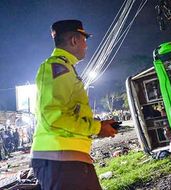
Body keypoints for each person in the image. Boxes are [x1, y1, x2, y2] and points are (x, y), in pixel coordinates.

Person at [31, 20, 117, 190]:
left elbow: (68, 113)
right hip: (60, 159)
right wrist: (96, 128)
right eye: (85, 39)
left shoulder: (65, 68)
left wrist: (99, 127)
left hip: (69, 159)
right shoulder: (56, 67)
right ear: (74, 40)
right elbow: (53, 117)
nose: (86, 45)